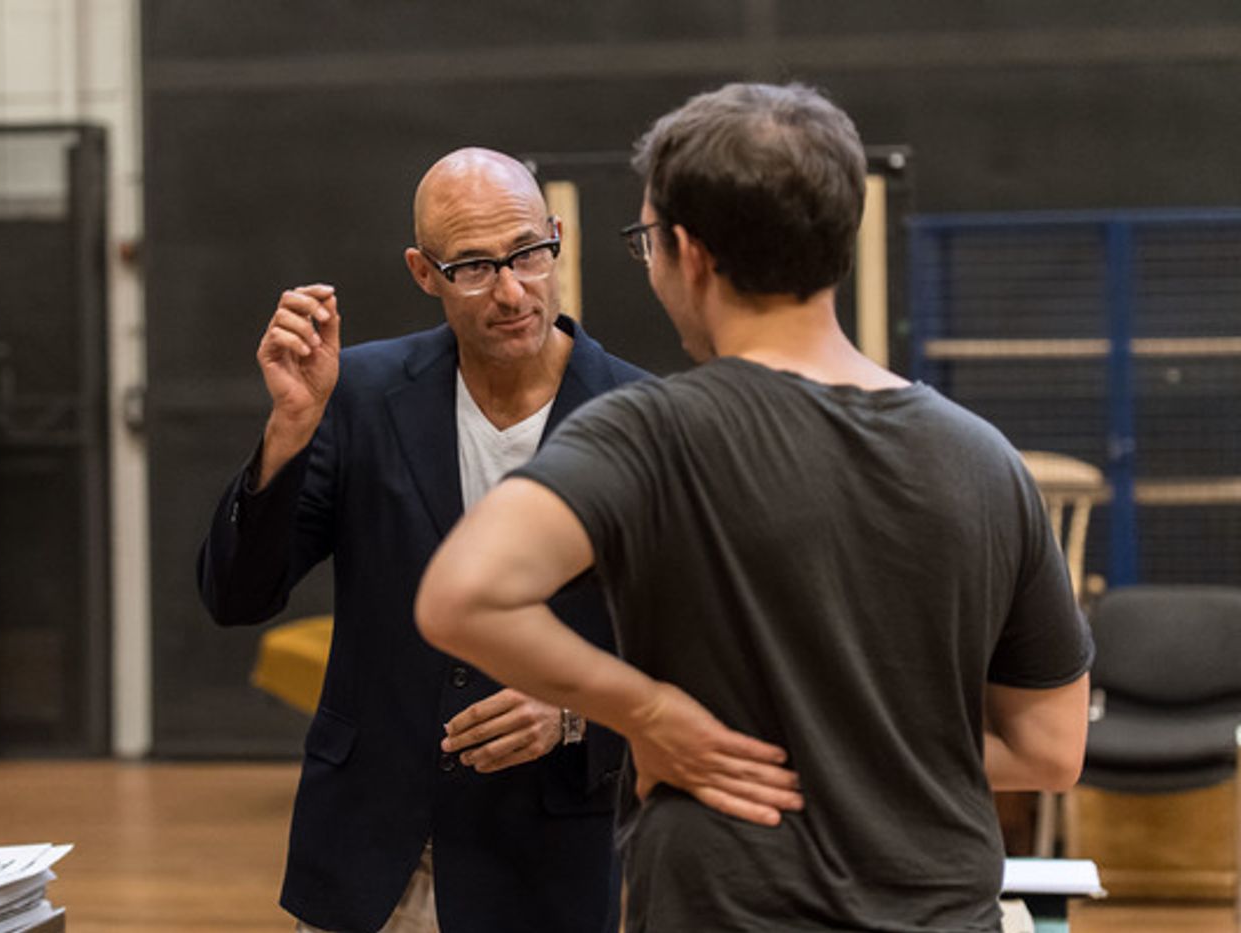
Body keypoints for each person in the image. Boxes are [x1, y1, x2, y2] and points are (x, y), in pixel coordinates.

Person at [416, 84, 1094, 933]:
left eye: (646, 241)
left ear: (689, 253)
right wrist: (866, 762)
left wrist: (650, 713)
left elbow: (461, 596)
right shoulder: (984, 458)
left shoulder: (651, 433)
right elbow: (1049, 751)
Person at [197, 148, 795, 933]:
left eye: (527, 255)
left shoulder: (647, 418)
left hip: (548, 854)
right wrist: (288, 431)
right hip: (367, 850)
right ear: (423, 271)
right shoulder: (357, 392)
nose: (512, 290)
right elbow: (237, 595)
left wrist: (578, 715)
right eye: (474, 266)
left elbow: (709, 659)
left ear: (556, 240)